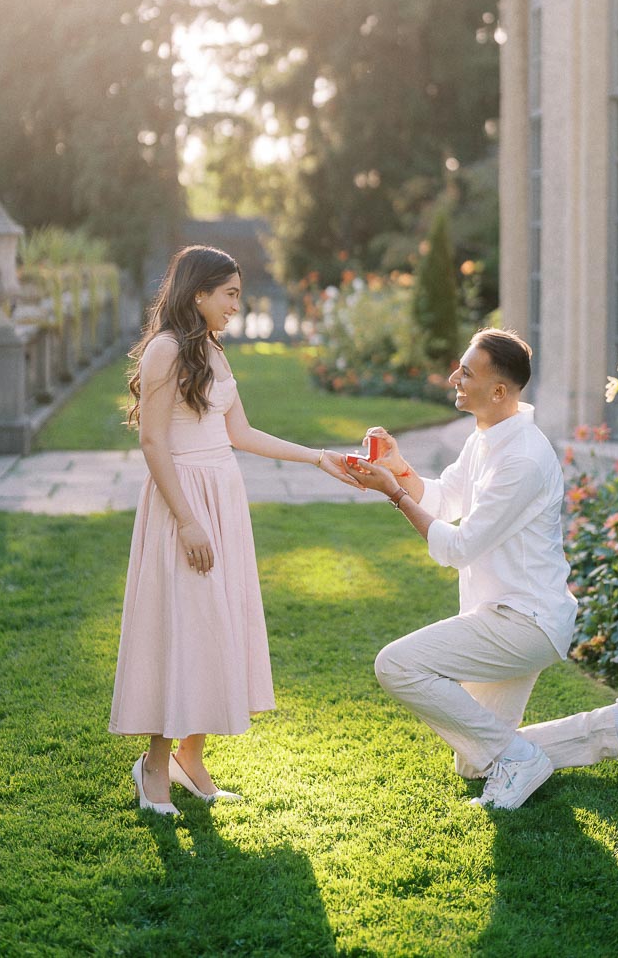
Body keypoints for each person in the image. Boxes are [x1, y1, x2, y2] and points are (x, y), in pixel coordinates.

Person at [345, 327, 618, 811]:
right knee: (475, 762)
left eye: (465, 373)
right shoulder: (486, 437)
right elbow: (445, 499)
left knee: (397, 664)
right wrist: (399, 467)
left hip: (525, 622)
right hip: (502, 615)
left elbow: (458, 547)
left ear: (498, 391)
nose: (454, 378)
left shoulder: (523, 459)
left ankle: (519, 759)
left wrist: (394, 493)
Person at [109, 245, 353, 816]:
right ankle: (154, 767)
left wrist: (318, 456)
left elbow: (240, 433)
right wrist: (187, 520)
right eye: (231, 294)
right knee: (182, 624)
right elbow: (153, 441)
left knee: (215, 625)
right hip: (183, 500)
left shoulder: (213, 351)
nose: (237, 306)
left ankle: (191, 759)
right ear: (199, 293)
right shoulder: (165, 349)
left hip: (223, 496)